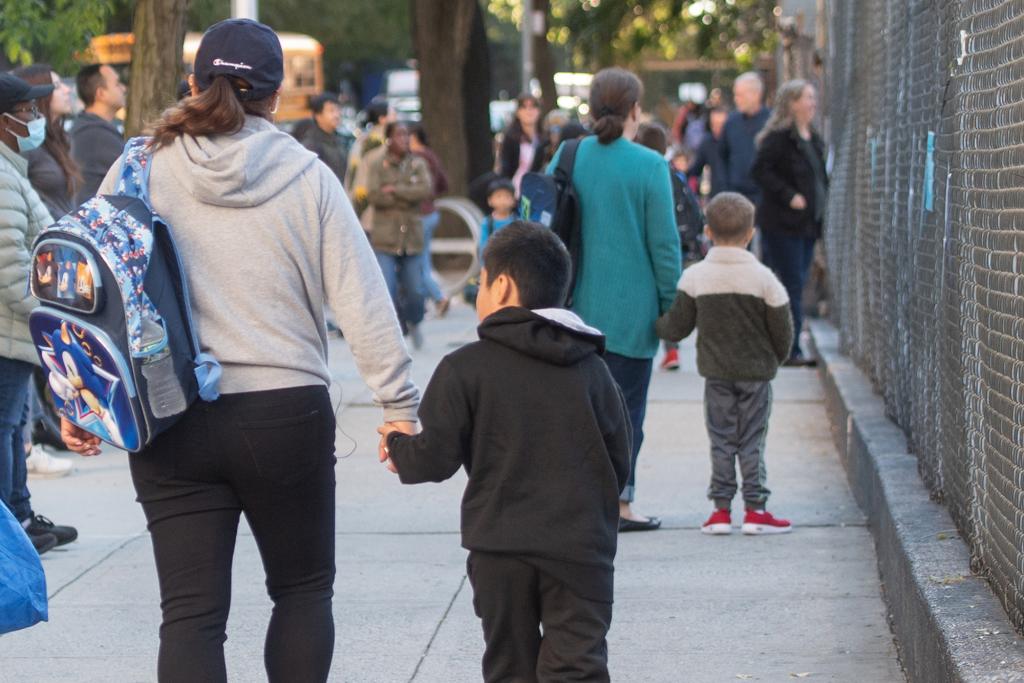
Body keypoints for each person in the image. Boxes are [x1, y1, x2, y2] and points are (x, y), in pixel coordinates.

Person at [59, 19, 420, 683]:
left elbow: (91, 291)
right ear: (275, 98)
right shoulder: (308, 176)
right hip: (285, 412)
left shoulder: (137, 166)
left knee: (190, 614)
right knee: (302, 591)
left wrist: (80, 396)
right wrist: (399, 404)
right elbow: (363, 299)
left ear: (194, 82)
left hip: (169, 414)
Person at [379, 222, 630, 683]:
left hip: (500, 548)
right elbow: (620, 457)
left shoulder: (464, 368)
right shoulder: (593, 369)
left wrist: (397, 445)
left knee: (509, 665)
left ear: (502, 285)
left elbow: (433, 458)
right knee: (578, 665)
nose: (477, 295)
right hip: (580, 548)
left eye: (479, 284)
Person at [548, 67, 680, 531]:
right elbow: (664, 246)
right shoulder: (650, 166)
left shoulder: (567, 156)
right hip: (632, 313)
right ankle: (620, 503)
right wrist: (670, 306)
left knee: (572, 410)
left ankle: (572, 501)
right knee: (625, 414)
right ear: (634, 110)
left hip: (569, 308)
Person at [655, 192, 793, 535]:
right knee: (752, 440)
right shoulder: (765, 279)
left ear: (708, 232)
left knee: (720, 439)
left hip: (716, 375)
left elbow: (677, 327)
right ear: (750, 234)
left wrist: (653, 322)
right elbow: (783, 333)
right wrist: (775, 359)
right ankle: (755, 509)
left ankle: (719, 510)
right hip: (756, 375)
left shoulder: (696, 277)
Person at [0, 72, 78, 554]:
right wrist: (47, 318)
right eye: (26, 111)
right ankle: (11, 530)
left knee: (13, 430)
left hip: (16, 331)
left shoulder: (13, 169)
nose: (34, 119)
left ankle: (19, 516)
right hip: (12, 329)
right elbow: (10, 267)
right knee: (6, 430)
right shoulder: (3, 177)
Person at [751, 79, 827, 366]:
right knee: (791, 283)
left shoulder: (813, 137)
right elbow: (759, 171)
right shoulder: (780, 138)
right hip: (783, 225)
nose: (812, 103)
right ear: (792, 103)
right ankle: (790, 348)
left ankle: (787, 344)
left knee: (796, 282)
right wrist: (789, 195)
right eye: (807, 97)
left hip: (807, 225)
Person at [634, 122, 704, 373]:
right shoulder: (672, 174)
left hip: (653, 246)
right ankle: (672, 346)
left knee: (660, 296)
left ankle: (668, 345)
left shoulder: (647, 174)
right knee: (669, 296)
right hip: (680, 246)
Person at [366, 121, 432, 349]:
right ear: (389, 139)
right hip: (386, 235)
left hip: (412, 236)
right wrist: (407, 195)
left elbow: (424, 191)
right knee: (387, 288)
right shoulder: (377, 164)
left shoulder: (417, 163)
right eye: (399, 135)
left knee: (416, 289)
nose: (404, 139)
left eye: (407, 135)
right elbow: (374, 196)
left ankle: (414, 320)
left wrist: (396, 190)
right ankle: (393, 334)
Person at [409, 125, 450, 316]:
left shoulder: (415, 158)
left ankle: (438, 297)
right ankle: (431, 298)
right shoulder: (431, 155)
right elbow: (443, 183)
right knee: (424, 259)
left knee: (418, 262)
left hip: (420, 213)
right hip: (432, 212)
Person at [70, 64, 126, 204]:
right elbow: (135, 169)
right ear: (101, 93)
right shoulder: (93, 133)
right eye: (117, 84)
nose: (124, 88)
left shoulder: (88, 125)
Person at [720, 72, 770, 205]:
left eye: (740, 95)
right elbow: (722, 155)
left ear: (756, 94)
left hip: (765, 194)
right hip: (736, 194)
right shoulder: (731, 122)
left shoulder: (771, 123)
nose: (736, 99)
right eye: (735, 95)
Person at [498, 93, 541, 194]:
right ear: (517, 112)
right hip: (516, 190)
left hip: (539, 190)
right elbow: (505, 168)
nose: (529, 111)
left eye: (532, 107)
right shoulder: (511, 138)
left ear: (539, 111)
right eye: (524, 107)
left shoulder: (544, 139)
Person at [300, 92, 347, 181]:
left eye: (338, 110)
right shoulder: (311, 145)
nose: (336, 115)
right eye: (331, 111)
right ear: (318, 116)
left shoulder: (338, 140)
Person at [688, 105, 729, 199]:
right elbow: (695, 169)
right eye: (713, 124)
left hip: (737, 195)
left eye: (721, 125)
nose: (717, 128)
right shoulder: (707, 142)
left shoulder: (734, 142)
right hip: (716, 196)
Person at [478, 177, 516, 253]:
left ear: (513, 200)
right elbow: (483, 246)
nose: (503, 201)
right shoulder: (487, 223)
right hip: (493, 261)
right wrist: (484, 263)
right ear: (490, 201)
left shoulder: (518, 222)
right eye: (498, 196)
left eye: (507, 196)